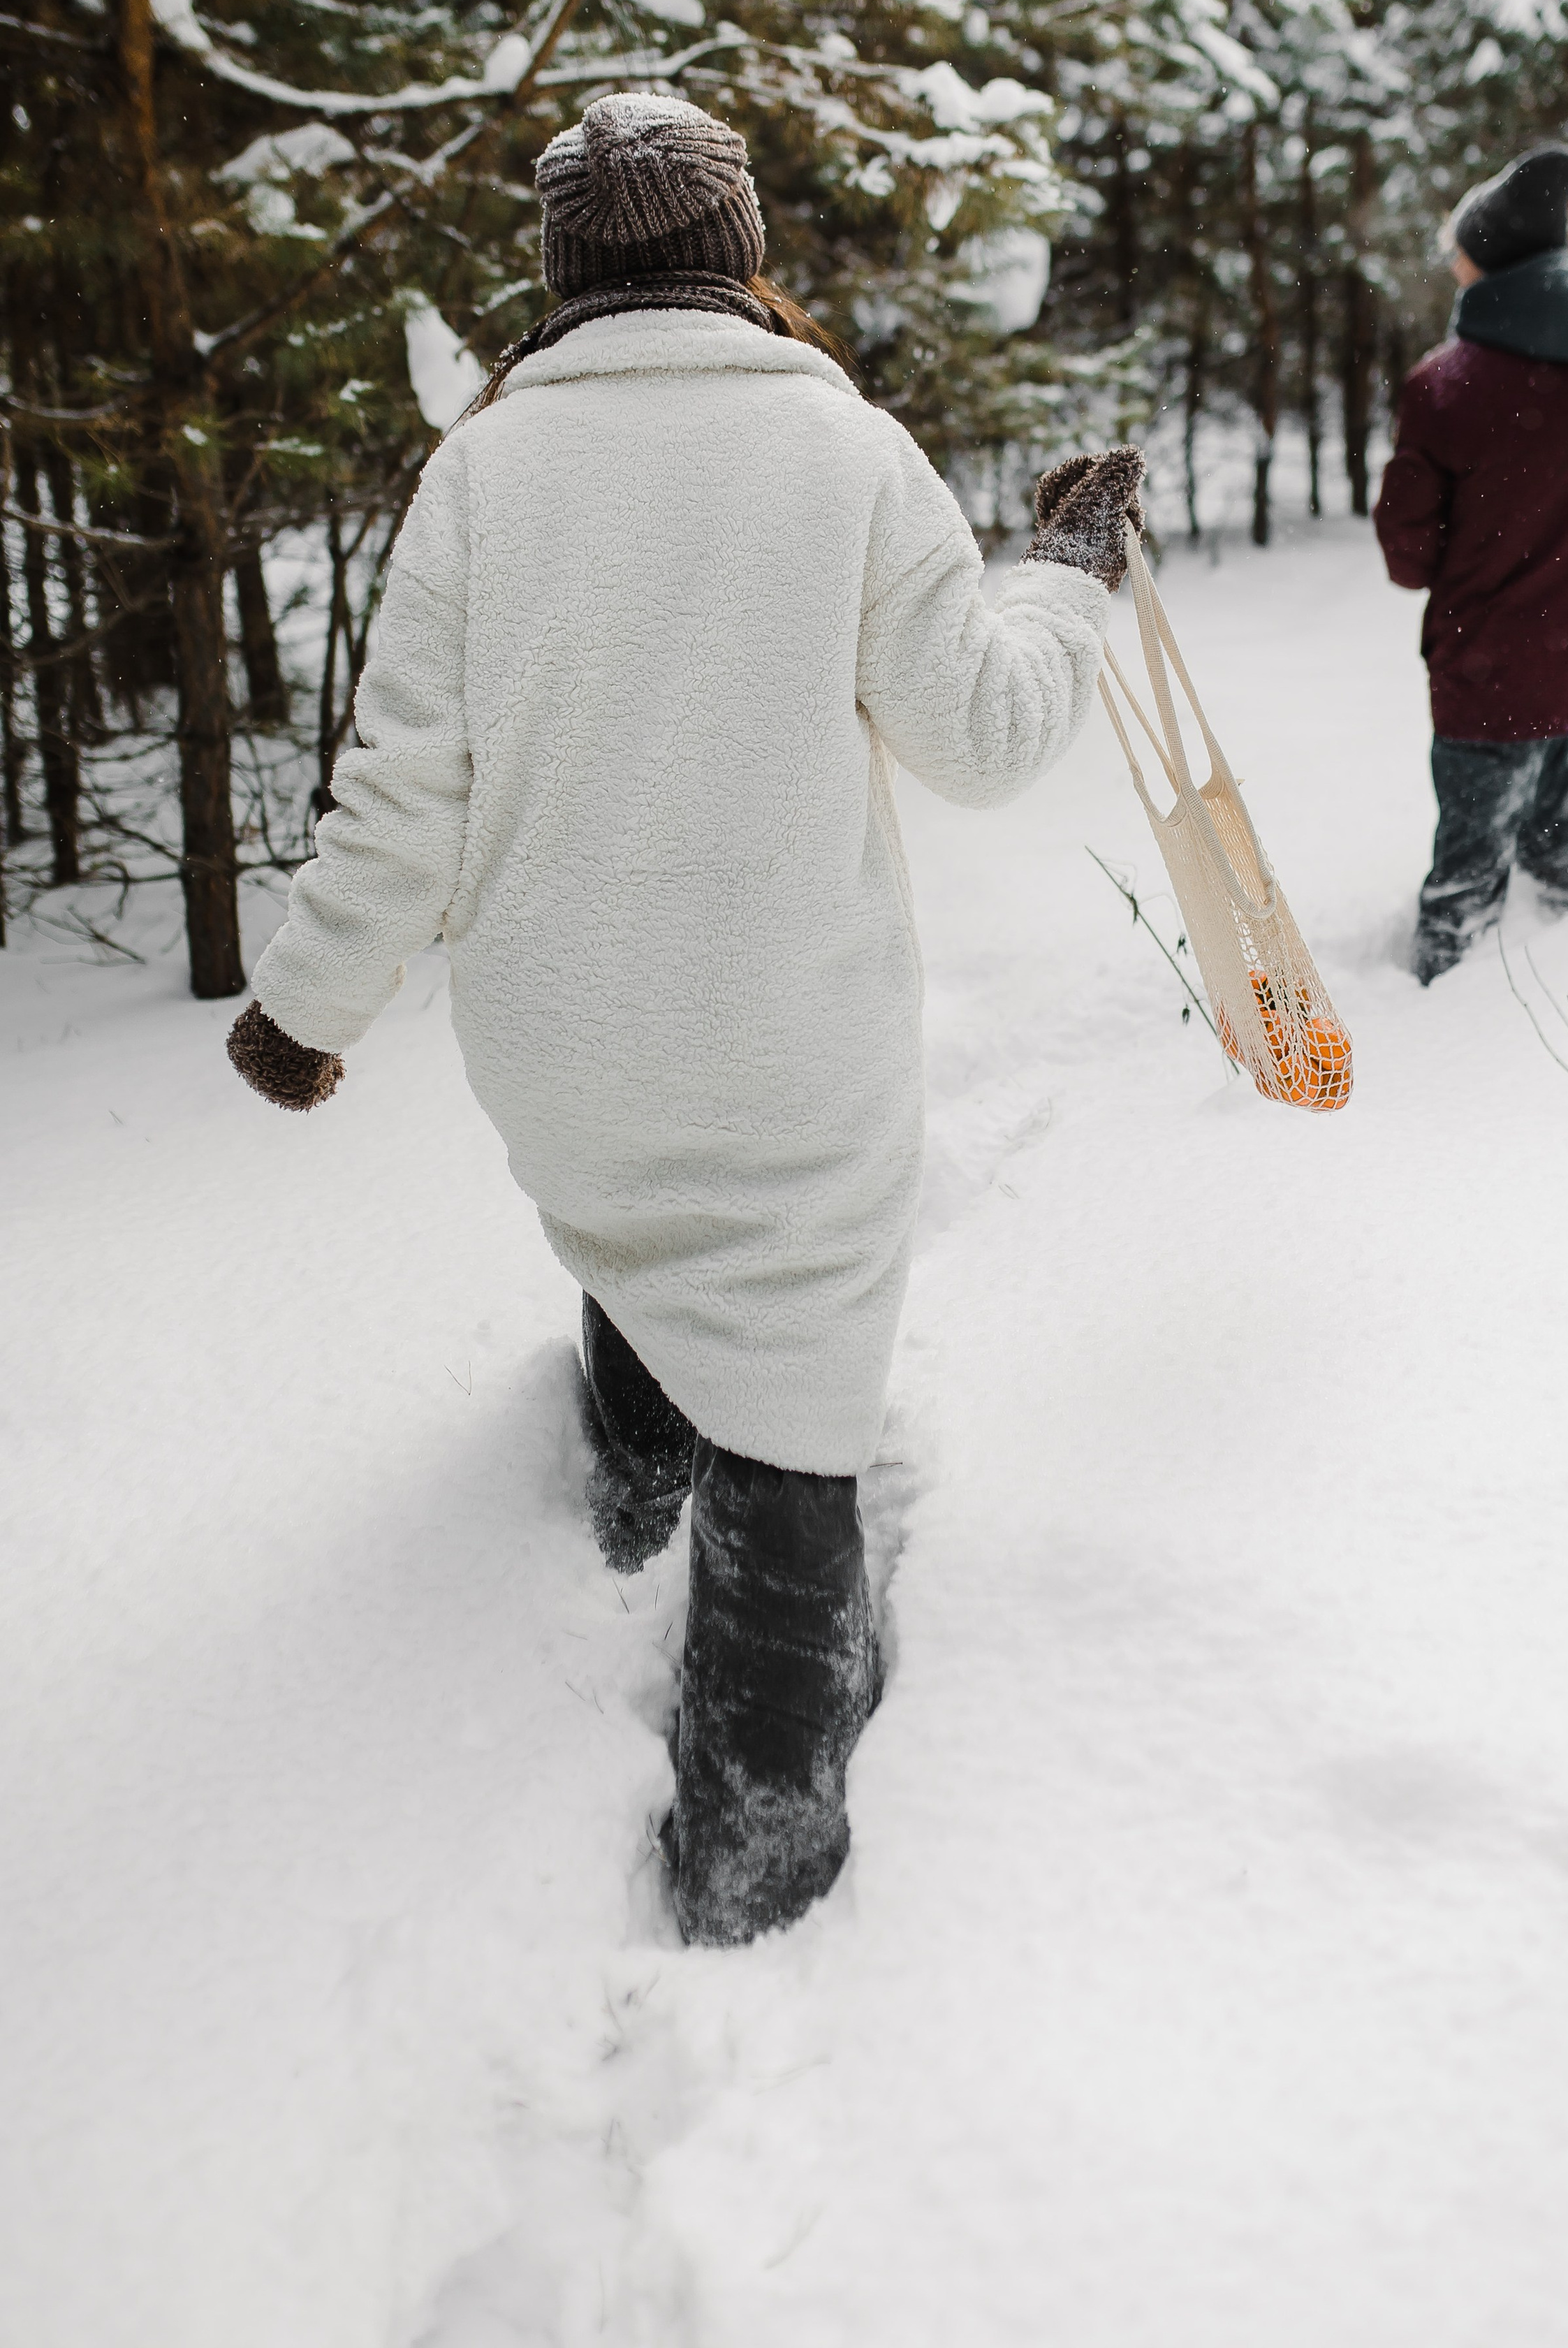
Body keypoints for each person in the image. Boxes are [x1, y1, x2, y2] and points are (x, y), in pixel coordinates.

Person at [225, 93, 1143, 1945]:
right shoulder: (844, 450)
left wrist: (307, 1006)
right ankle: (755, 1838)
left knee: (639, 1219)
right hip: (782, 1035)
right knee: (792, 1357)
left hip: (558, 1039)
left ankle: (640, 1481)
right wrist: (1064, 577)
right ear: (736, 248)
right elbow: (982, 735)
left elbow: (403, 791)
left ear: (566, 273)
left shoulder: (481, 470)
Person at [1372, 145, 1568, 984]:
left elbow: (1407, 557)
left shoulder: (1443, 387)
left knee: (1464, 884)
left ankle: (1441, 1014)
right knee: (1558, 849)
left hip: (1491, 681)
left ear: (1482, 261)